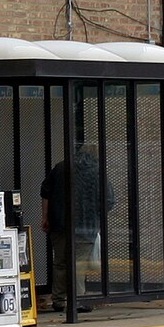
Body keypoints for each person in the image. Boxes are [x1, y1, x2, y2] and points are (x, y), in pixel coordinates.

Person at [39, 129, 113, 312]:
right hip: (85, 226)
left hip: (59, 223)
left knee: (60, 262)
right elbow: (109, 200)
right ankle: (77, 299)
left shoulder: (61, 167)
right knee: (78, 264)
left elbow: (45, 192)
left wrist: (45, 217)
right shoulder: (97, 171)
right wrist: (95, 216)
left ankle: (59, 299)